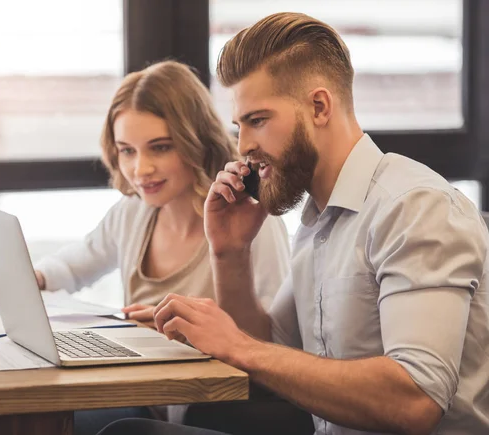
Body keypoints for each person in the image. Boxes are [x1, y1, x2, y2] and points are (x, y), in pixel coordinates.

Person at [98, 12, 489, 435]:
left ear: (319, 107)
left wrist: (239, 345)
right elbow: (269, 347)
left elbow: (415, 400)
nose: (243, 146)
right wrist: (229, 252)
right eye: (240, 124)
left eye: (258, 121)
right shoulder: (317, 221)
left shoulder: (415, 208)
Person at [33, 60, 292, 434]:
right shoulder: (133, 213)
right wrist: (35, 277)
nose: (141, 169)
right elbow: (73, 266)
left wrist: (185, 331)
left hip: (203, 416)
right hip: (141, 401)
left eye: (160, 147)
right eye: (127, 151)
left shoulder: (250, 222)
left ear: (195, 142)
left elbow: (272, 349)